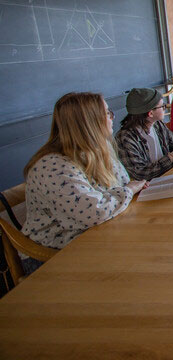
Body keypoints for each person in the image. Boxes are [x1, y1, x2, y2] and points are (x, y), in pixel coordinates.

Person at [21, 92, 147, 274]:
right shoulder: (52, 165)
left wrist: (127, 189)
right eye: (106, 113)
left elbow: (122, 184)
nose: (112, 117)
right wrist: (128, 190)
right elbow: (96, 211)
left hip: (100, 237)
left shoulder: (99, 149)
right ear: (89, 121)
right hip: (54, 255)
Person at [116, 88, 173, 181]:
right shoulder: (125, 138)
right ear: (151, 113)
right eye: (162, 106)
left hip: (169, 176)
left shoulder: (157, 125)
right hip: (147, 188)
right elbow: (141, 174)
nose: (165, 108)